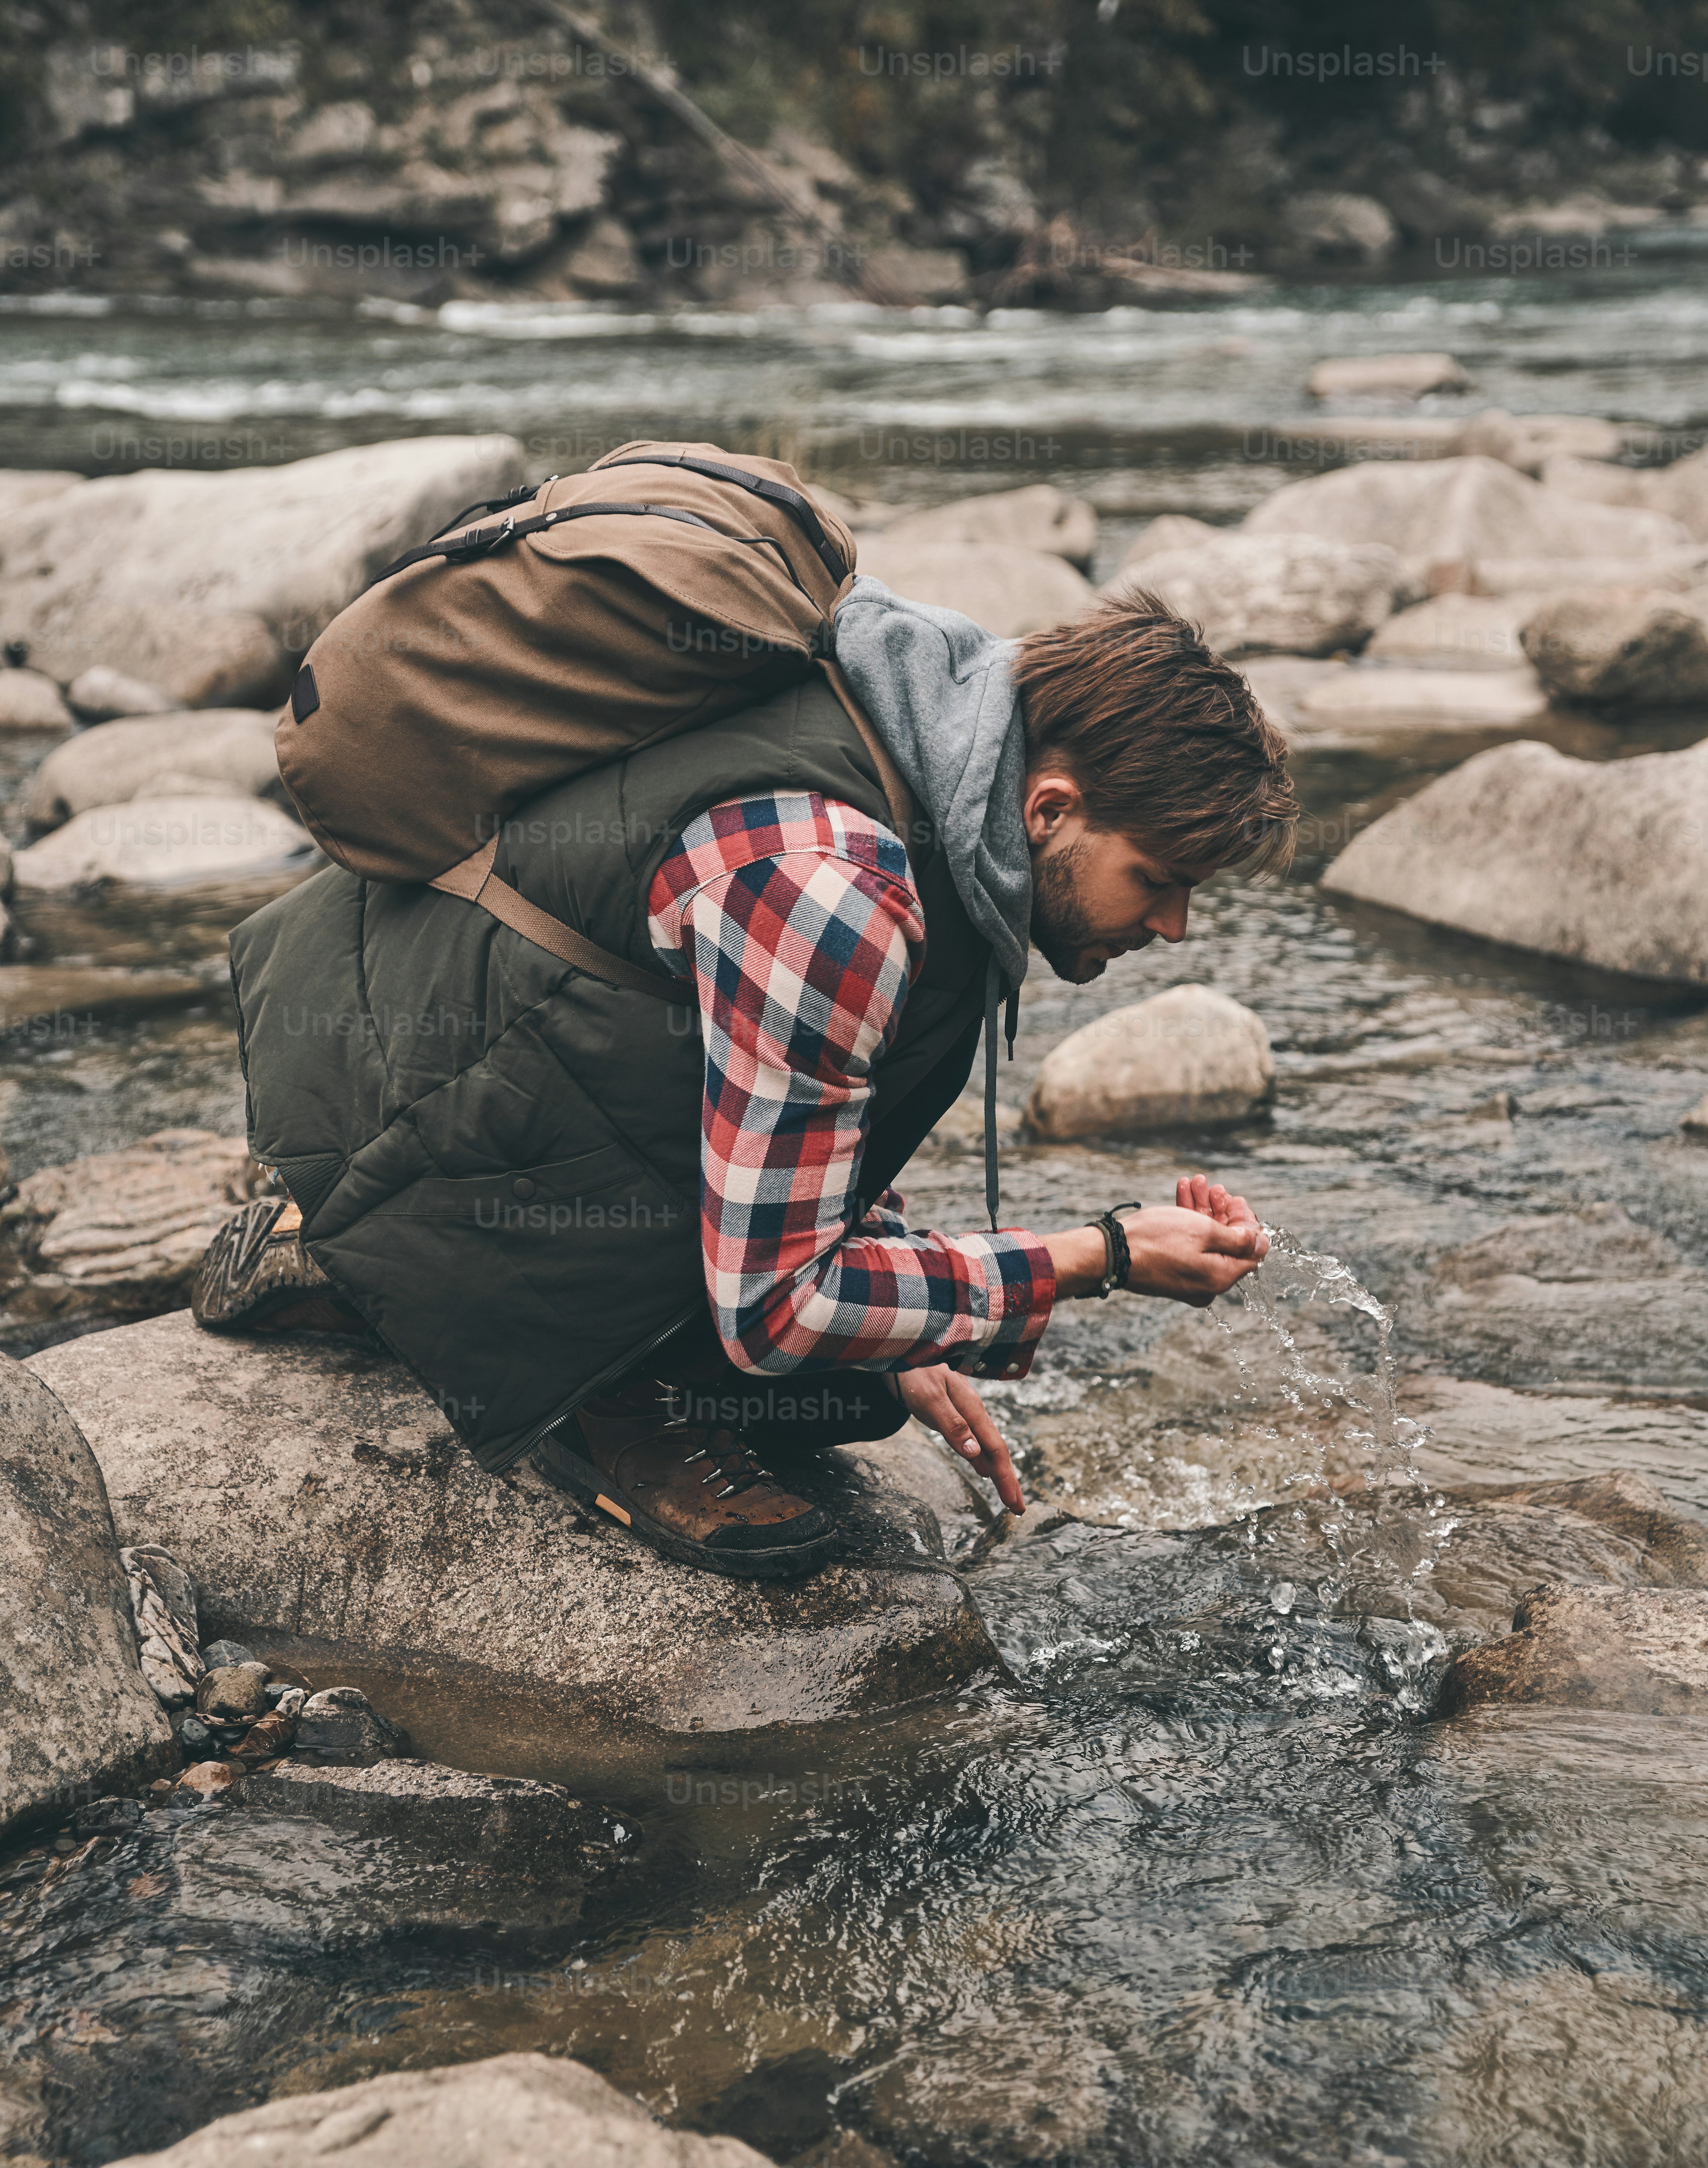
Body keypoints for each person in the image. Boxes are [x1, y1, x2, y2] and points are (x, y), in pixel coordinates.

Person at [195, 584, 1295, 1580]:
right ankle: (573, 1375)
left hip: (438, 1050)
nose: (1171, 925)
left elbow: (809, 1096)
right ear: (1049, 808)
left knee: (862, 1386)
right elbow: (780, 1308)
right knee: (815, 1353)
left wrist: (917, 1327)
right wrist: (1093, 1256)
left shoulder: (923, 737)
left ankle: (353, 1250)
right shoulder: (839, 888)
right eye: (1157, 879)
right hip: (425, 1107)